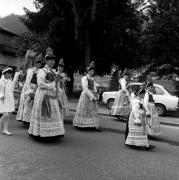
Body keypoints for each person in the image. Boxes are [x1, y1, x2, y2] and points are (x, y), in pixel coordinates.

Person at [28, 47, 65, 137]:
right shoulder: (42, 71)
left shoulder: (54, 72)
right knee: (44, 114)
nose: (52, 62)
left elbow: (56, 84)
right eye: (50, 60)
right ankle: (41, 132)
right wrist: (52, 85)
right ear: (46, 61)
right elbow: (40, 84)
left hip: (52, 96)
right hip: (43, 96)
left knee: (53, 114)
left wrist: (58, 90)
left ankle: (53, 132)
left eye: (53, 60)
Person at [73, 61, 102, 132]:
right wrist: (91, 96)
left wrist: (96, 95)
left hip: (92, 96)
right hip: (86, 96)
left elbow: (94, 88)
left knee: (92, 110)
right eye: (91, 71)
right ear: (88, 71)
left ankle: (93, 125)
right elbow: (85, 89)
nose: (92, 72)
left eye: (93, 71)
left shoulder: (93, 79)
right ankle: (81, 124)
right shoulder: (84, 78)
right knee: (85, 109)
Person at [16, 53, 43, 125]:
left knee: (33, 104)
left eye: (40, 64)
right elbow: (22, 79)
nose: (39, 65)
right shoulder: (29, 70)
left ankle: (30, 120)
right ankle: (25, 119)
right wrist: (22, 85)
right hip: (28, 87)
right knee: (26, 103)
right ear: (34, 63)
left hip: (36, 88)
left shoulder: (41, 72)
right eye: (37, 63)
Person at [0, 68, 15, 135]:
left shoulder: (10, 81)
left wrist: (12, 99)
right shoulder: (0, 81)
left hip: (9, 100)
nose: (10, 75)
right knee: (5, 114)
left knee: (8, 115)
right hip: (2, 100)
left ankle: (5, 130)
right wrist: (1, 95)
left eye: (11, 73)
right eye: (9, 73)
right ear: (5, 73)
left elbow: (11, 91)